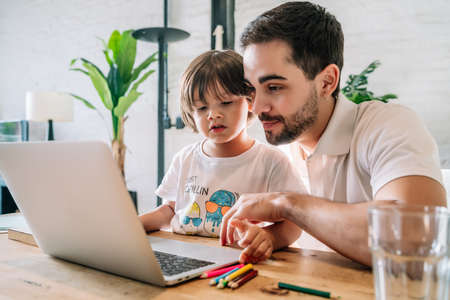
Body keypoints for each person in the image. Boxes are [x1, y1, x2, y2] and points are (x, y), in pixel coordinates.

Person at [220, 1, 446, 266]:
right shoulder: (280, 150)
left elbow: (416, 235)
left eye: (274, 87)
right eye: (253, 89)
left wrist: (287, 204)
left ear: (327, 81)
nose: (257, 107)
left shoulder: (388, 126)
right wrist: (267, 237)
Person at [139, 50, 307, 263]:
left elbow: (295, 221)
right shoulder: (185, 158)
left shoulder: (272, 162)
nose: (213, 115)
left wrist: (270, 238)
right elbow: (169, 210)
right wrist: (131, 225)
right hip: (183, 257)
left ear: (250, 100)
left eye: (226, 103)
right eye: (201, 108)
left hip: (239, 262)